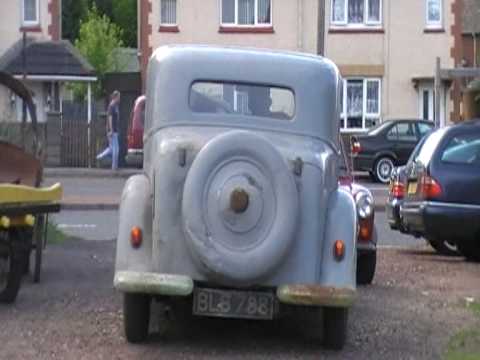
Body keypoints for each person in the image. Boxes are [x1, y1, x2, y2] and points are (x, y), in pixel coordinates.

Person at [97, 90, 120, 170]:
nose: (119, 98)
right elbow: (109, 118)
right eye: (119, 97)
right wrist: (111, 130)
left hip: (115, 130)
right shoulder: (111, 106)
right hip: (112, 131)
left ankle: (99, 157)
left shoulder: (115, 106)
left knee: (111, 149)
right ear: (115, 97)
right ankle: (114, 167)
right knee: (116, 150)